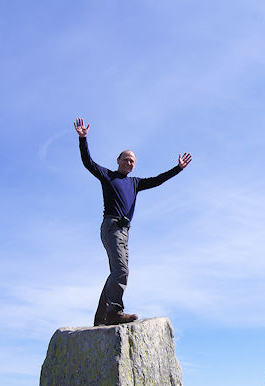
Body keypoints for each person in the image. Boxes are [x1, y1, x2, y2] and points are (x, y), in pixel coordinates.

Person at [74, 117, 192, 326]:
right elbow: (88, 163)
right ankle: (114, 312)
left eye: (132, 161)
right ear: (118, 160)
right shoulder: (108, 176)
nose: (129, 163)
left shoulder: (135, 183)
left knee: (116, 272)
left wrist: (178, 168)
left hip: (124, 231)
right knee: (121, 271)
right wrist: (83, 139)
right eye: (126, 159)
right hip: (112, 226)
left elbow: (158, 180)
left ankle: (101, 317)